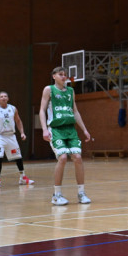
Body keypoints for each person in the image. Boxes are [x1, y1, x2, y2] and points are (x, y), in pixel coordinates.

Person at [39, 66, 92, 205]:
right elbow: (41, 110)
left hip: (70, 129)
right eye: (60, 74)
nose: (64, 77)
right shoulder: (48, 90)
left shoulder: (71, 91)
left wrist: (84, 129)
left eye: (65, 75)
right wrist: (44, 129)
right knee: (62, 158)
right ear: (54, 76)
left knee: (78, 158)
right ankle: (56, 195)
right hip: (56, 129)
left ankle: (81, 193)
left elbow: (75, 111)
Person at [0, 91, 34, 189]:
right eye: (1, 96)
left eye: (5, 96)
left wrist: (22, 132)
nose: (3, 98)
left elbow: (18, 121)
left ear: (8, 98)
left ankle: (23, 177)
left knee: (18, 157)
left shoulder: (13, 108)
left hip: (11, 136)